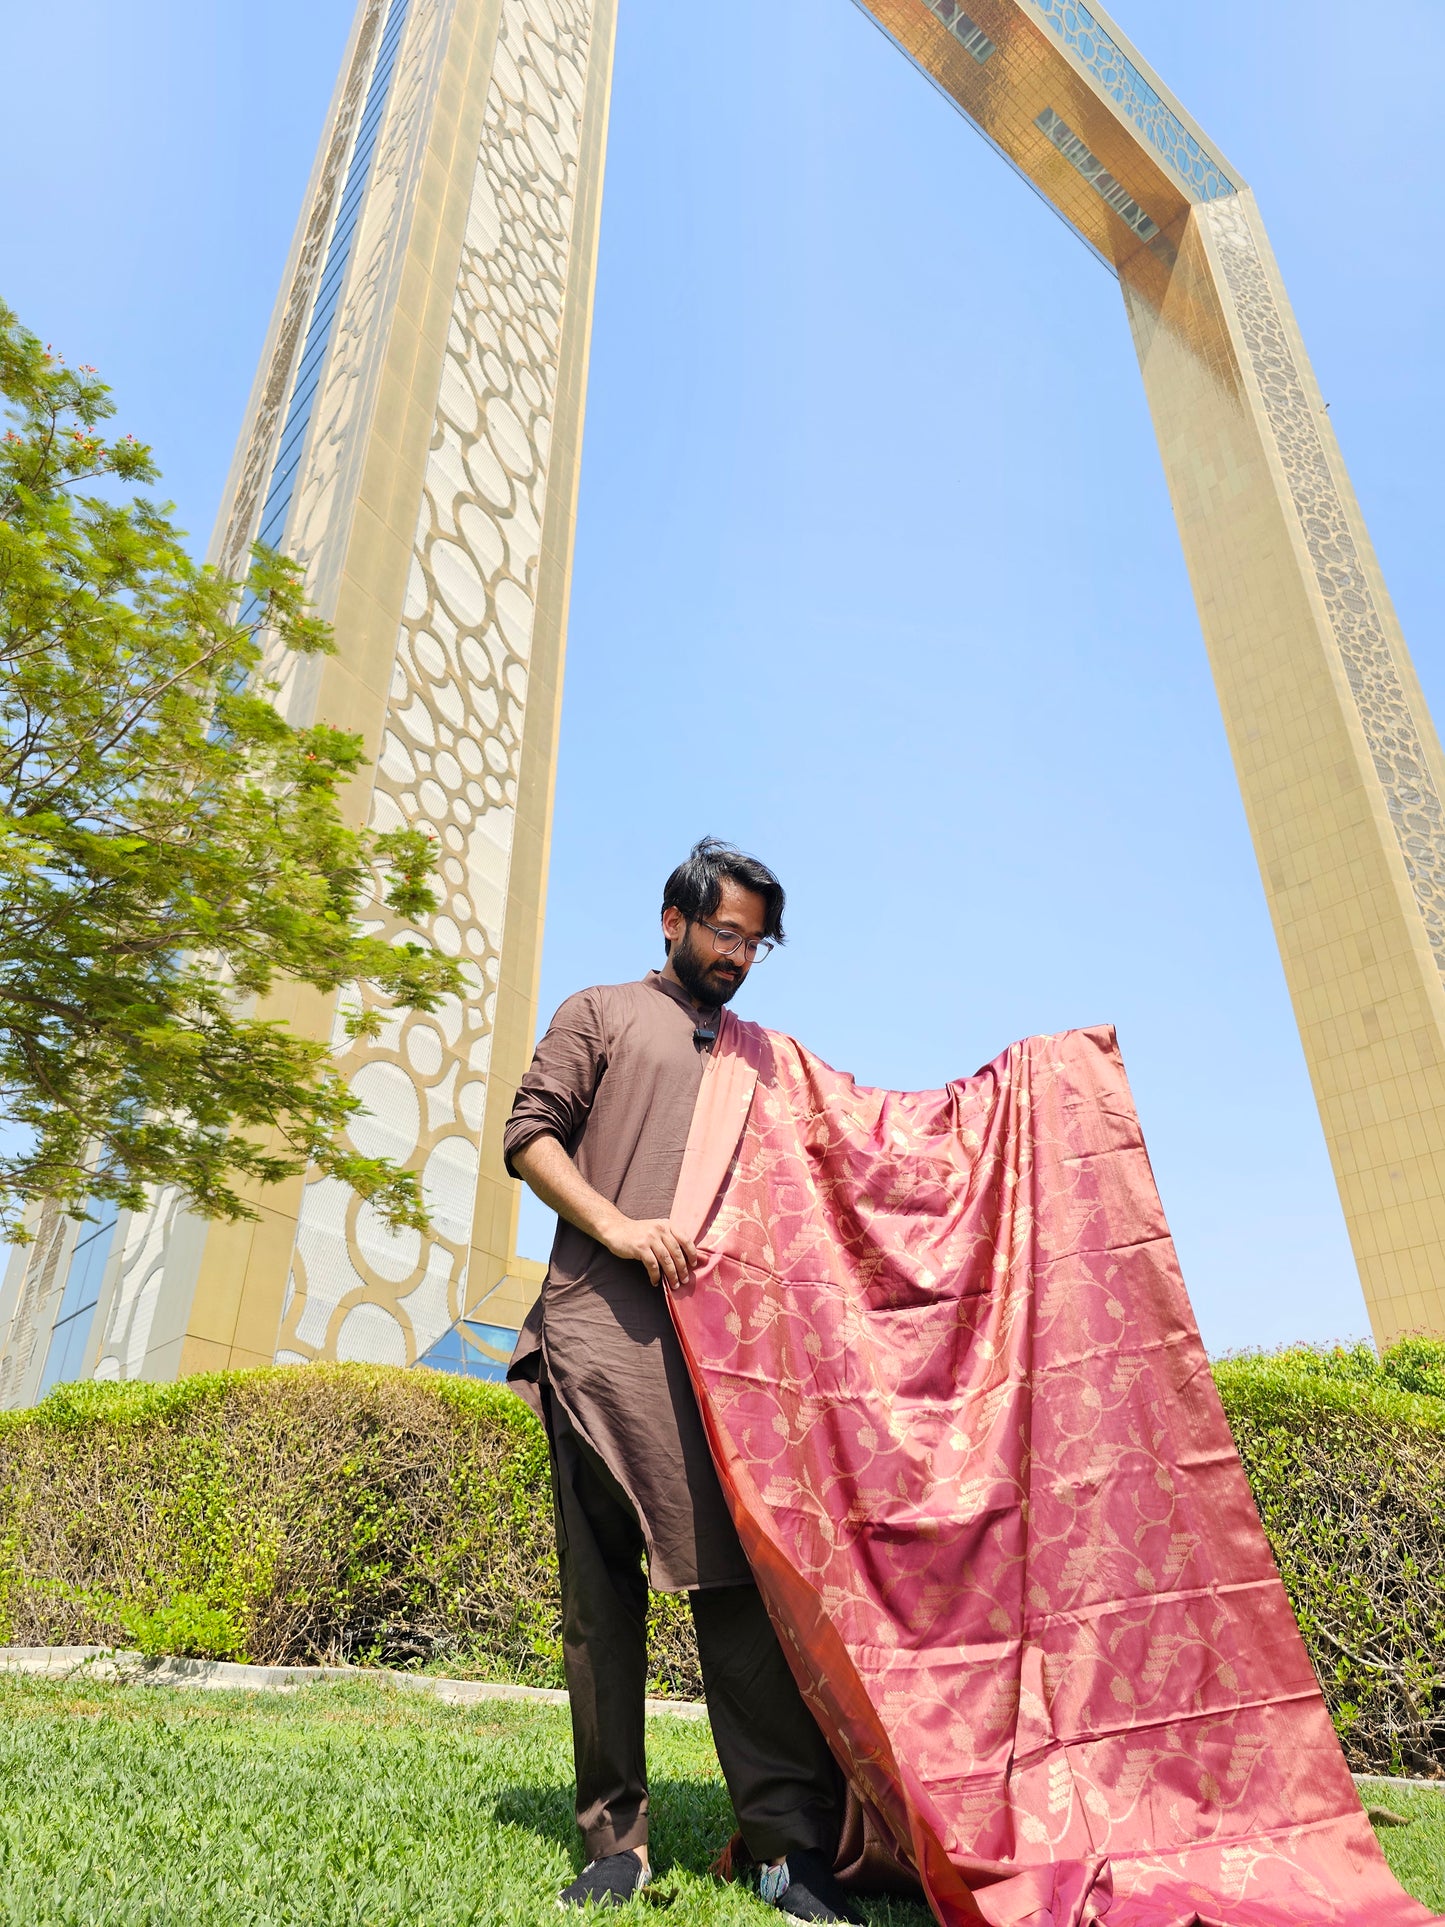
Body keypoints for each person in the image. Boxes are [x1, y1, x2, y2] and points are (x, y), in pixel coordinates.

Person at [505, 839, 859, 1920]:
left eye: (754, 942)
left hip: (727, 1370)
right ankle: (614, 1842)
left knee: (739, 1598)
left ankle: (785, 1848)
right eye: (723, 932)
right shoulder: (601, 1012)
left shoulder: (761, 1058)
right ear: (672, 920)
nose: (738, 956)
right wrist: (615, 1225)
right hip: (599, 1341)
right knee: (599, 1603)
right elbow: (528, 1137)